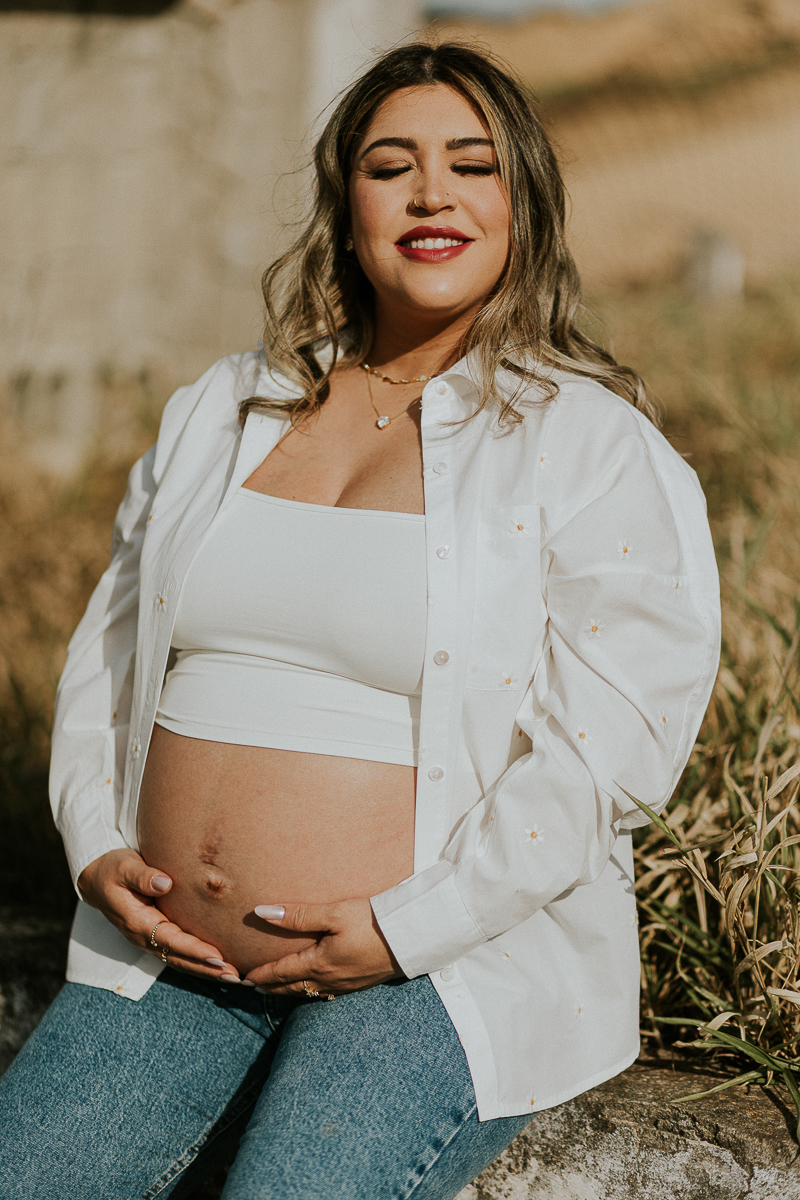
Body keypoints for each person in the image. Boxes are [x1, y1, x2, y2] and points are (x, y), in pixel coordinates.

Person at [0, 40, 720, 1200]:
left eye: (471, 165)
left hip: (438, 969)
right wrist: (91, 841)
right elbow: (112, 652)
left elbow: (609, 751)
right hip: (171, 953)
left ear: (523, 204)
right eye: (391, 167)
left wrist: (405, 928)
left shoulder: (590, 445)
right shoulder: (222, 409)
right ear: (346, 207)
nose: (431, 194)